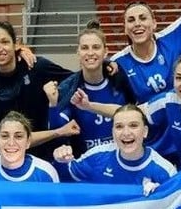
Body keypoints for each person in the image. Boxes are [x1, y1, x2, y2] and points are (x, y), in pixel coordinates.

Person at [0, 21, 73, 154]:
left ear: (16, 44)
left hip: (42, 153)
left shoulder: (37, 67)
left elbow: (75, 81)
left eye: (5, 42)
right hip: (3, 155)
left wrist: (55, 100)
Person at [43, 21, 136, 153]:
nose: (90, 53)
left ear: (105, 52)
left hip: (121, 158)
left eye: (96, 47)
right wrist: (53, 105)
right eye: (85, 48)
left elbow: (136, 116)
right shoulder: (69, 88)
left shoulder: (120, 80)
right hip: (86, 161)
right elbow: (59, 135)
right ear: (78, 52)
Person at [53, 104, 176, 191]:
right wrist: (60, 159)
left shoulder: (165, 171)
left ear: (145, 131)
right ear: (113, 132)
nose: (126, 133)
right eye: (119, 127)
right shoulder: (97, 156)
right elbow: (63, 178)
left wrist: (159, 199)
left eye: (133, 125)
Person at [0, 112, 61, 183]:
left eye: (18, 136)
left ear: (28, 142)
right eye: (5, 136)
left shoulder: (46, 173)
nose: (11, 143)